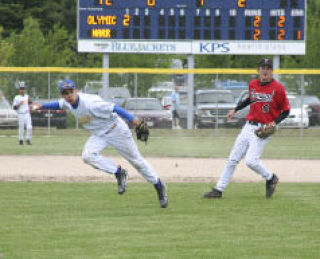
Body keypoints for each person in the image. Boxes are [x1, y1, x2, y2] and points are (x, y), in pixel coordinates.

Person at [31, 79, 168, 208]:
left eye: (71, 91)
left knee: (137, 162)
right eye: (65, 93)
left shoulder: (91, 103)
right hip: (99, 135)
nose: (69, 95)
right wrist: (40, 106)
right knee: (88, 156)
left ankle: (159, 185)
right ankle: (119, 173)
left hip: (116, 130)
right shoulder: (67, 102)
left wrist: (134, 120)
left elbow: (116, 108)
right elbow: (58, 104)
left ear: (76, 91)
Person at [203, 58, 290, 199]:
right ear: (258, 70)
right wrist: (235, 109)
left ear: (272, 71)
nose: (265, 70)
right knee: (232, 159)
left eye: (268, 68)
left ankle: (270, 177)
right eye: (263, 67)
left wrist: (274, 122)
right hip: (248, 126)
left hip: (263, 129)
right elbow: (251, 99)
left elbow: (286, 111)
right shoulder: (253, 84)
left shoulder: (278, 88)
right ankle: (218, 190)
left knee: (250, 161)